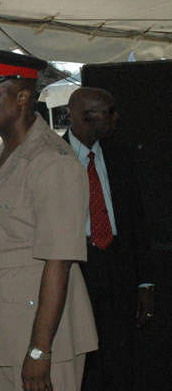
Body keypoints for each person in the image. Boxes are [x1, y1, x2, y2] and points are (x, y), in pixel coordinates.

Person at [0, 47, 98, 391]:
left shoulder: (54, 163)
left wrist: (40, 350)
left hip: (40, 337)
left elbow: (59, 261)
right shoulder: (4, 155)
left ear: (23, 96)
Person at [65, 87, 154, 391]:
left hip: (118, 266)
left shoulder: (119, 156)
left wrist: (144, 282)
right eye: (110, 111)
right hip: (75, 266)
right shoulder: (53, 158)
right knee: (83, 357)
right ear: (85, 117)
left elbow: (137, 222)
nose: (117, 117)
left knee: (119, 355)